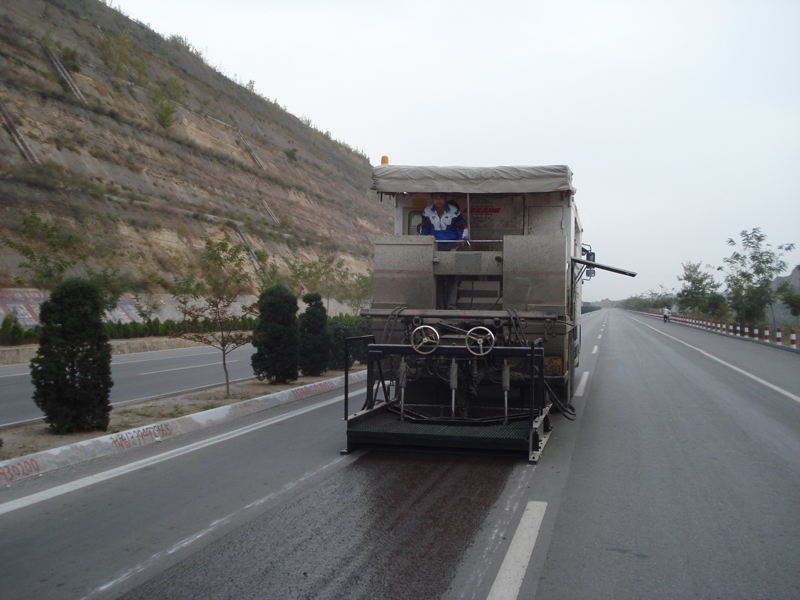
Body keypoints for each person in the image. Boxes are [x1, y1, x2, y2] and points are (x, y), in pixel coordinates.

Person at [420, 192, 469, 309]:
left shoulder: (454, 211)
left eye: (441, 197)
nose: (438, 200)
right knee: (438, 278)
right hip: (436, 246)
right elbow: (424, 228)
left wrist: (461, 238)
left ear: (445, 199)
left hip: (452, 246)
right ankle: (439, 306)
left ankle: (451, 305)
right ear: (432, 199)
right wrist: (423, 242)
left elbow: (463, 226)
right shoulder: (427, 211)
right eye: (436, 198)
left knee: (452, 277)